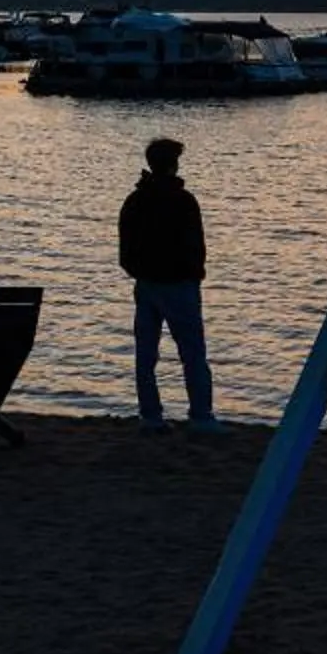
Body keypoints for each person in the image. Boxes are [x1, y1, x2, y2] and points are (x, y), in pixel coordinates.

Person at [119, 136, 219, 435]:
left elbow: (125, 249)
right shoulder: (183, 201)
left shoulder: (135, 200)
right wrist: (194, 274)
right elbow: (196, 244)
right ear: (173, 165)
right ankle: (201, 416)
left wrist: (139, 271)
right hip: (178, 285)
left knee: (146, 354)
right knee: (193, 353)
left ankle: (150, 416)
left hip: (147, 284)